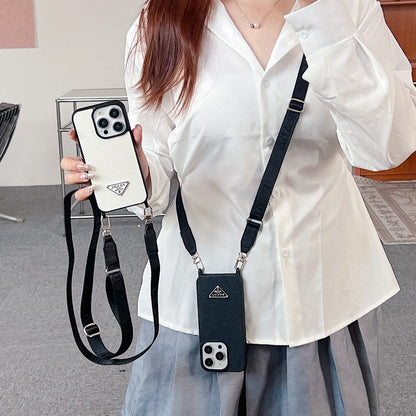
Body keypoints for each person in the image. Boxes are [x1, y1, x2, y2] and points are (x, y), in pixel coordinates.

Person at [61, 0, 416, 414]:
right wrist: (136, 170)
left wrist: (323, 18)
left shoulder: (348, 7)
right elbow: (156, 161)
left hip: (323, 299)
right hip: (199, 300)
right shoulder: (159, 20)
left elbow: (387, 147)